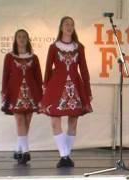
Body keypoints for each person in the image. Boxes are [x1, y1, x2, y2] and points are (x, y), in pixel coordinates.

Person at [40, 16, 92, 168]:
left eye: (72, 24)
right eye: (66, 24)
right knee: (55, 120)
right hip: (55, 85)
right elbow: (48, 69)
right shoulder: (54, 47)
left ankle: (66, 156)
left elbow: (84, 70)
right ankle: (64, 155)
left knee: (73, 121)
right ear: (61, 27)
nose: (69, 27)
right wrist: (45, 88)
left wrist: (87, 90)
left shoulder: (79, 47)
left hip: (75, 86)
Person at [1, 29, 43, 164]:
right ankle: (26, 151)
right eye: (19, 36)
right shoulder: (9, 57)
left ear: (28, 39)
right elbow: (5, 76)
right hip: (14, 93)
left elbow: (38, 78)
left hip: (31, 93)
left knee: (26, 121)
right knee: (19, 120)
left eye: (24, 37)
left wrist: (41, 96)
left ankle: (18, 150)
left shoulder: (34, 58)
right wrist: (3, 92)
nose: (22, 39)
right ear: (15, 39)